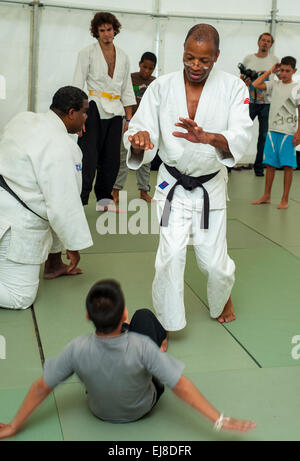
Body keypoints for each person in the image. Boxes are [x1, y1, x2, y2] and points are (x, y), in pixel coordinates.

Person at [0, 279, 256, 439]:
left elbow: (41, 386)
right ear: (123, 312)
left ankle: (146, 341)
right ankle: (162, 339)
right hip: (142, 408)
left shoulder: (76, 348)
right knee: (144, 316)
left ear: (88, 318)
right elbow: (182, 387)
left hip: (100, 410)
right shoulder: (142, 346)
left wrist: (13, 426)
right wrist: (219, 419)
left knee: (124, 341)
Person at [124, 24, 253, 333]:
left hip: (210, 184)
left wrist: (210, 137)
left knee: (213, 264)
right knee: (169, 257)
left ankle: (222, 297)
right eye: (189, 57)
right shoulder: (161, 87)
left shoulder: (234, 88)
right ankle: (167, 321)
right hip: (171, 185)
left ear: (217, 56)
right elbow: (142, 126)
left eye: (204, 60)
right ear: (182, 52)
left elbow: (241, 134)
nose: (195, 65)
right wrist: (139, 137)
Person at [0, 86, 93, 310]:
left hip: (6, 203)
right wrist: (73, 245)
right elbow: (63, 205)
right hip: (16, 224)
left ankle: (53, 265)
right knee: (19, 297)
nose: (86, 117)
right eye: (84, 112)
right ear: (71, 113)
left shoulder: (24, 119)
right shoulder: (63, 147)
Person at [73, 12, 136, 211]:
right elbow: (77, 84)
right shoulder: (87, 53)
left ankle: (104, 200)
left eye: (109, 29)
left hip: (116, 112)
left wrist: (129, 119)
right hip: (93, 107)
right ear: (96, 32)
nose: (106, 33)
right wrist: (79, 119)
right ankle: (79, 201)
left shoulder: (124, 56)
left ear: (114, 30)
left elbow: (126, 88)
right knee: (89, 158)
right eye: (102, 30)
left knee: (112, 160)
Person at [252, 57, 300, 209]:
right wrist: (271, 71)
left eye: (288, 71)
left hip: (288, 132)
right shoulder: (275, 84)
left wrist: (299, 132)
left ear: (294, 71)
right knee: (270, 164)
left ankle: (284, 199)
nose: (284, 73)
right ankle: (266, 195)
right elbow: (255, 84)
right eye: (282, 70)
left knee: (288, 166)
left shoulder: (297, 88)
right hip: (272, 131)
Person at [112, 52, 157, 204]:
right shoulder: (130, 78)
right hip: (129, 122)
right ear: (139, 64)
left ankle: (143, 191)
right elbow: (122, 98)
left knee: (146, 159)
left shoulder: (155, 83)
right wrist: (127, 119)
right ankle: (116, 191)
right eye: (145, 67)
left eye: (151, 68)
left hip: (147, 124)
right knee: (123, 157)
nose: (147, 71)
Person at [241, 33, 278, 176]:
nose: (265, 43)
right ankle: (230, 164)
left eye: (268, 41)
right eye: (263, 40)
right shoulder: (248, 59)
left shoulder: (274, 60)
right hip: (248, 101)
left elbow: (276, 81)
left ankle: (258, 167)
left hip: (267, 103)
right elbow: (241, 79)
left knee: (263, 136)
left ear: (271, 45)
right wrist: (245, 81)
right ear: (258, 42)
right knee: (240, 131)